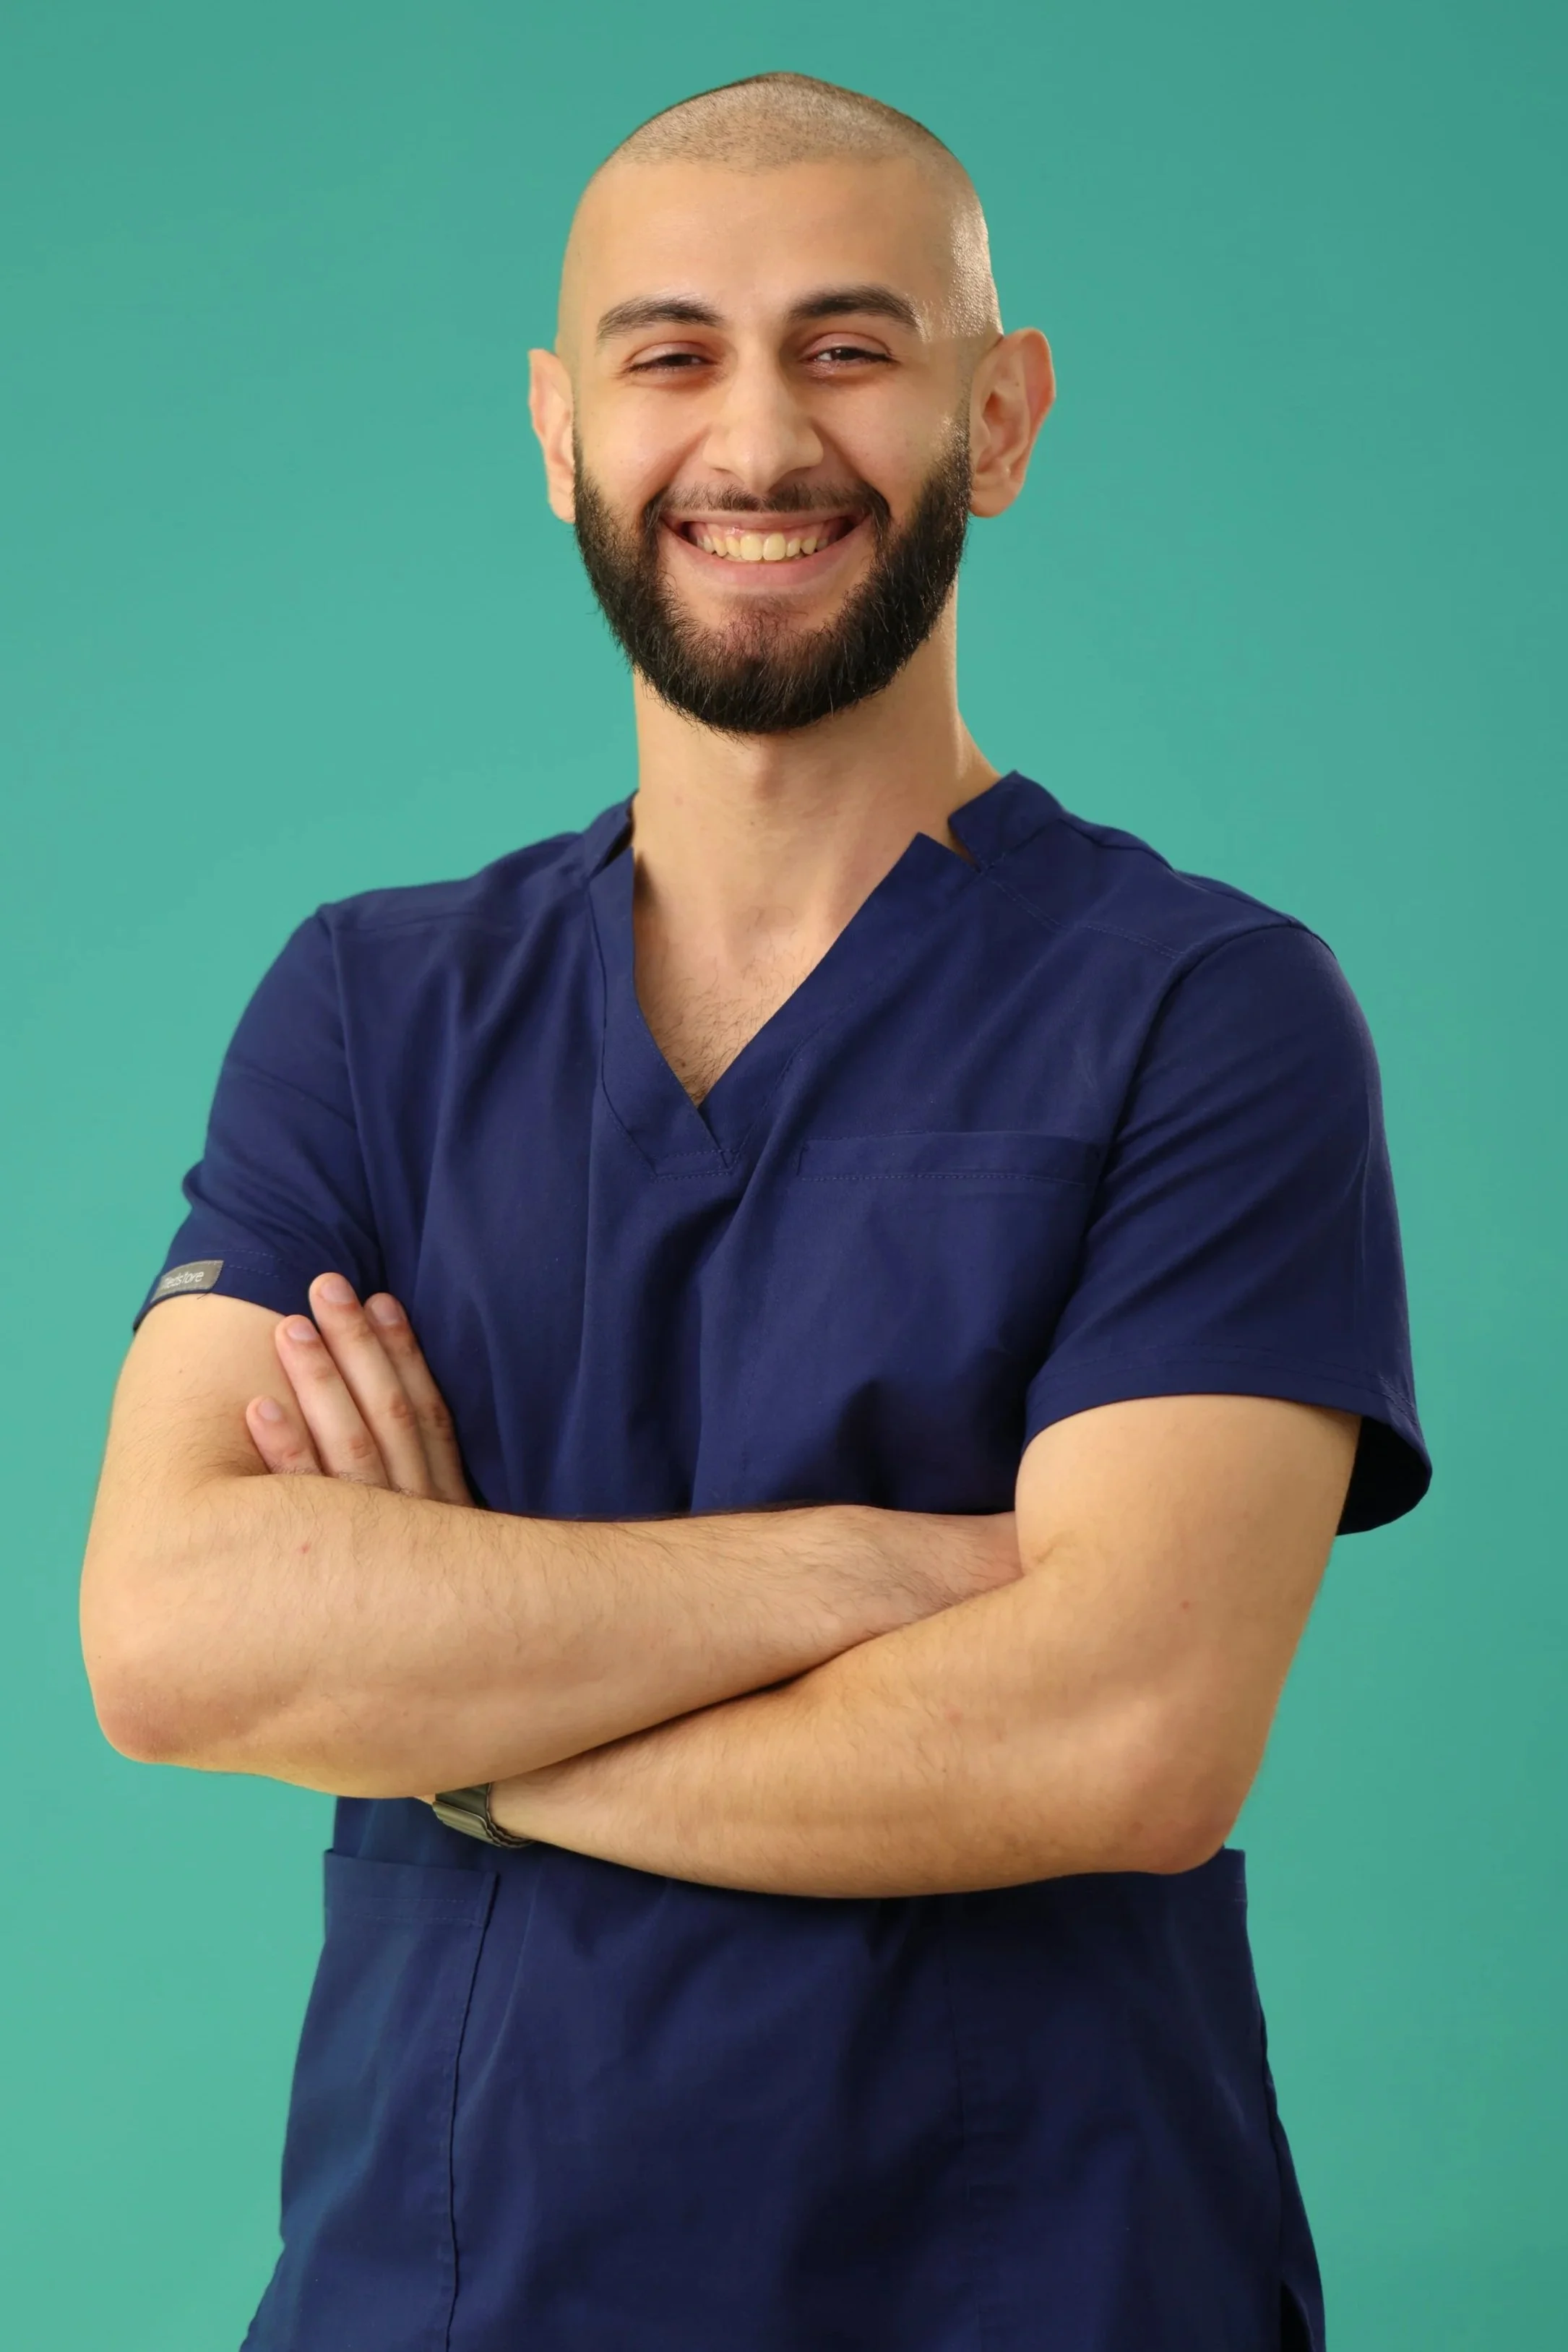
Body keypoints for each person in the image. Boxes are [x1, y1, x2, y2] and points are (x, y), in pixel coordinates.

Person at [80, 70, 1429, 2352]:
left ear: (1000, 417)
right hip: (445, 2289)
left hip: (1039, 2285)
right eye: (670, 352)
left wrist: (457, 1717)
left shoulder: (1206, 1010)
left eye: (849, 345)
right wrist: (874, 1569)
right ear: (559, 428)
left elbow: (1118, 1738)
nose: (756, 439)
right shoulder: (368, 1007)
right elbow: (177, 1633)